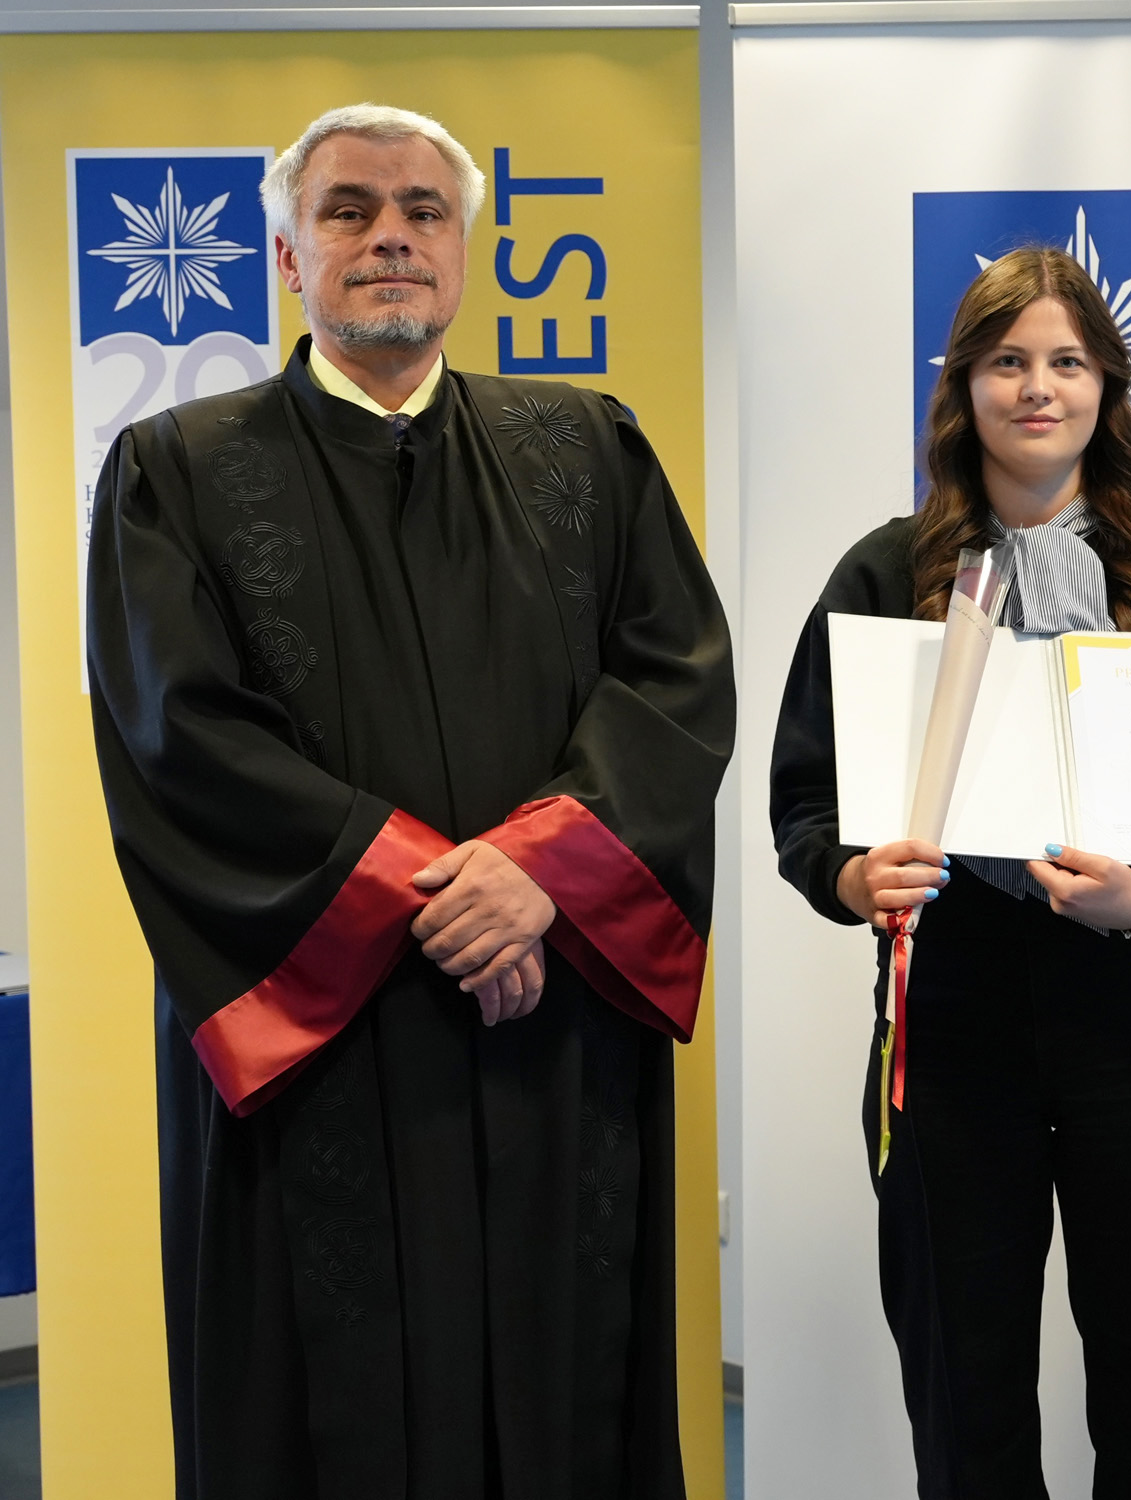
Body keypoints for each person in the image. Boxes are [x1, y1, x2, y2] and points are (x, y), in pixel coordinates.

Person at [88, 104, 734, 1497]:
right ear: (286, 255)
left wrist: (539, 874)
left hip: (548, 1020)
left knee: (568, 1383)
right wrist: (434, 900)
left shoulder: (587, 451)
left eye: (423, 211)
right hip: (325, 1034)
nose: (391, 236)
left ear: (463, 250)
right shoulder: (177, 470)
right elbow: (177, 737)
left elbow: (675, 684)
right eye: (349, 210)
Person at [771, 248, 1131, 1499]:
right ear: (962, 388)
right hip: (948, 1023)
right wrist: (851, 878)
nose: (1037, 388)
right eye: (1006, 362)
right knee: (964, 1387)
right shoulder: (882, 573)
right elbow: (803, 801)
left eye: (1066, 362)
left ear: (1106, 386)